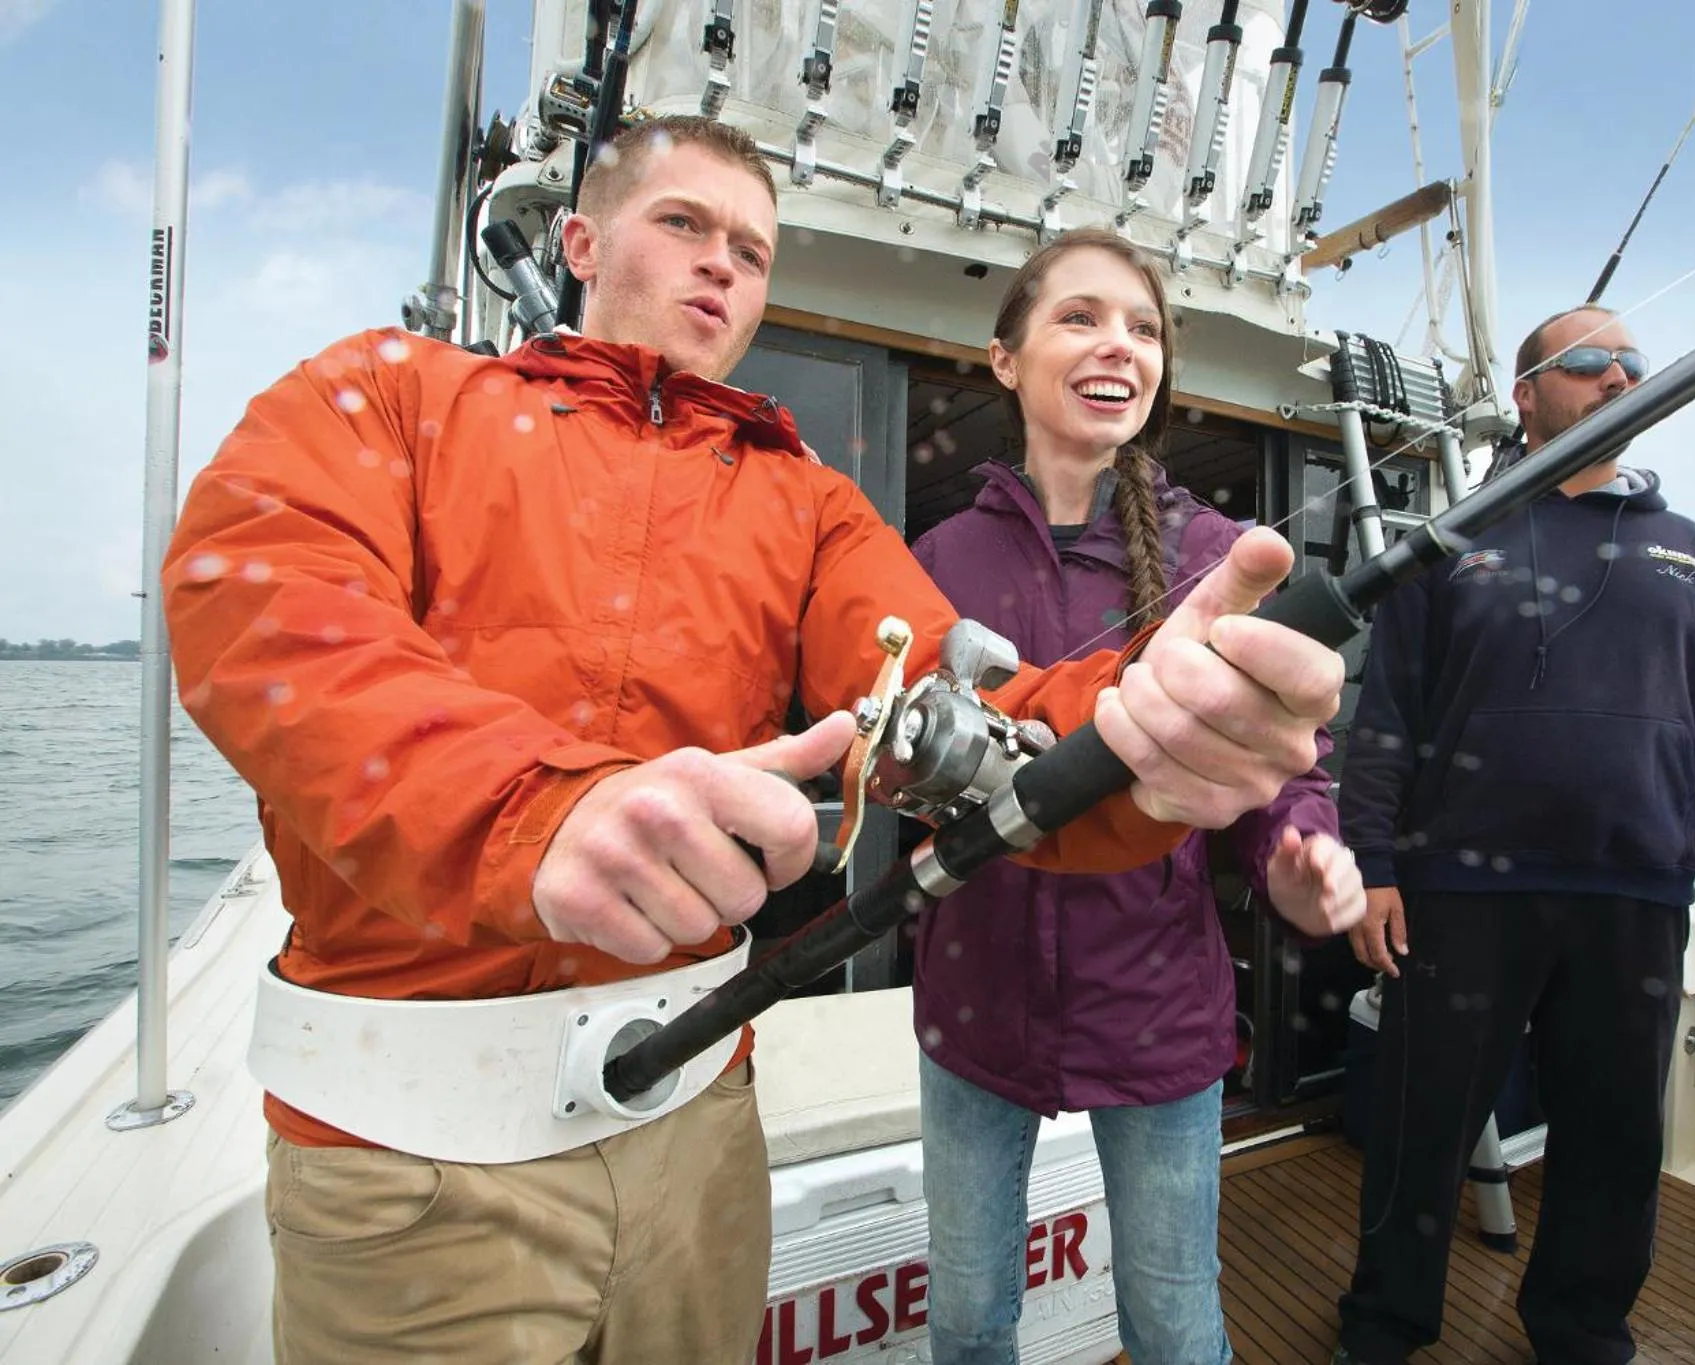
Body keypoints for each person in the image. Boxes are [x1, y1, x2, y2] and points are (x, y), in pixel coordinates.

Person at [161, 116, 1348, 1364]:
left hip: (698, 1141)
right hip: (408, 1162)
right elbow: (265, 596)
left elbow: (949, 716)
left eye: (752, 248)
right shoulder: (395, 396)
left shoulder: (809, 502)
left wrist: (1133, 743)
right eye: (683, 225)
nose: (720, 264)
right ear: (579, 239)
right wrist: (531, 810)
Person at [907, 227, 1369, 1365]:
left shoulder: (1217, 558)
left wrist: (1301, 849)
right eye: (1079, 317)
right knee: (966, 1323)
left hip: (1158, 1007)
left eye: (1143, 327)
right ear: (1004, 359)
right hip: (972, 1003)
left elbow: (1279, 770)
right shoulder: (936, 556)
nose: (1118, 344)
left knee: (1171, 1324)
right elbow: (894, 753)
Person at [1329, 305, 1695, 1365]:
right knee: (1420, 1135)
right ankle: (1381, 1326)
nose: (1617, 376)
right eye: (1589, 360)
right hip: (1455, 891)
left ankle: (1581, 1331)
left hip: (1633, 899)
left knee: (1613, 1140)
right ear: (1526, 393)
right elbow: (1386, 724)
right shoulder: (1448, 546)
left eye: (1633, 363)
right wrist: (1369, 866)